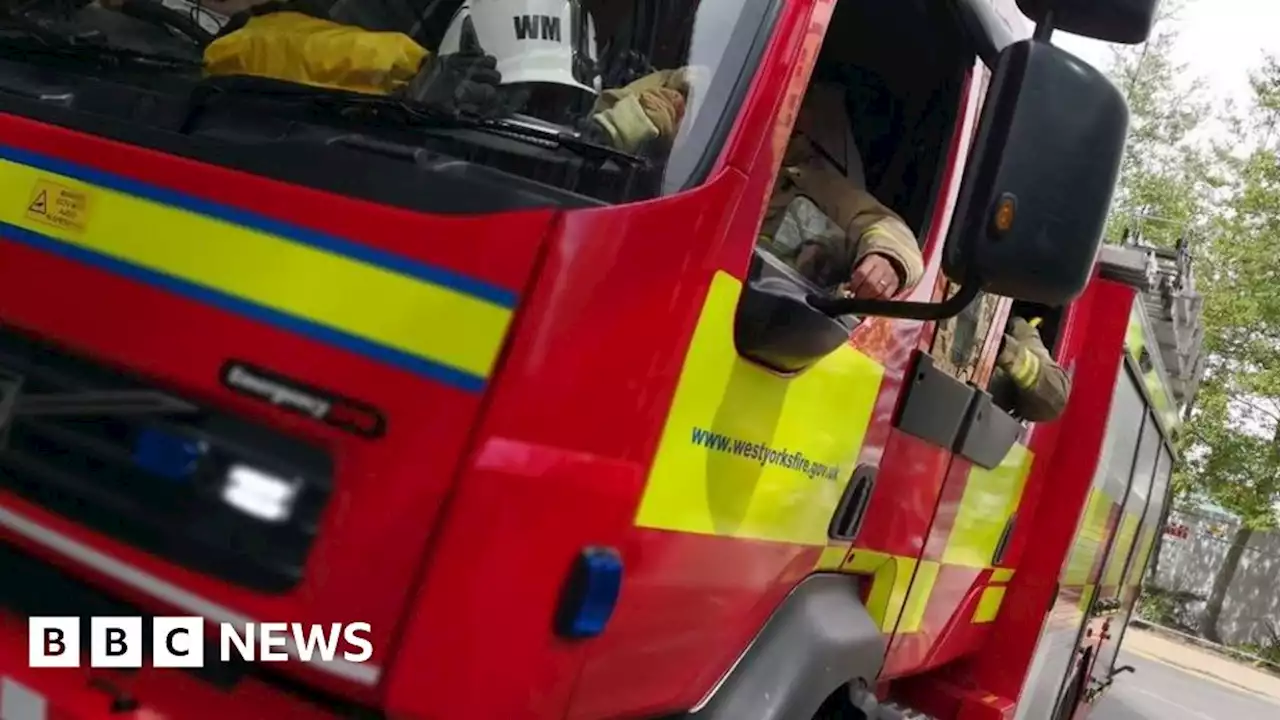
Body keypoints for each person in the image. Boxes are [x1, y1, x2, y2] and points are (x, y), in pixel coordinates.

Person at [990, 315, 1071, 422]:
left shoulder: (1003, 398)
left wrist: (1005, 350)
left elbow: (1052, 399)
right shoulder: (1029, 342)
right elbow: (1019, 326)